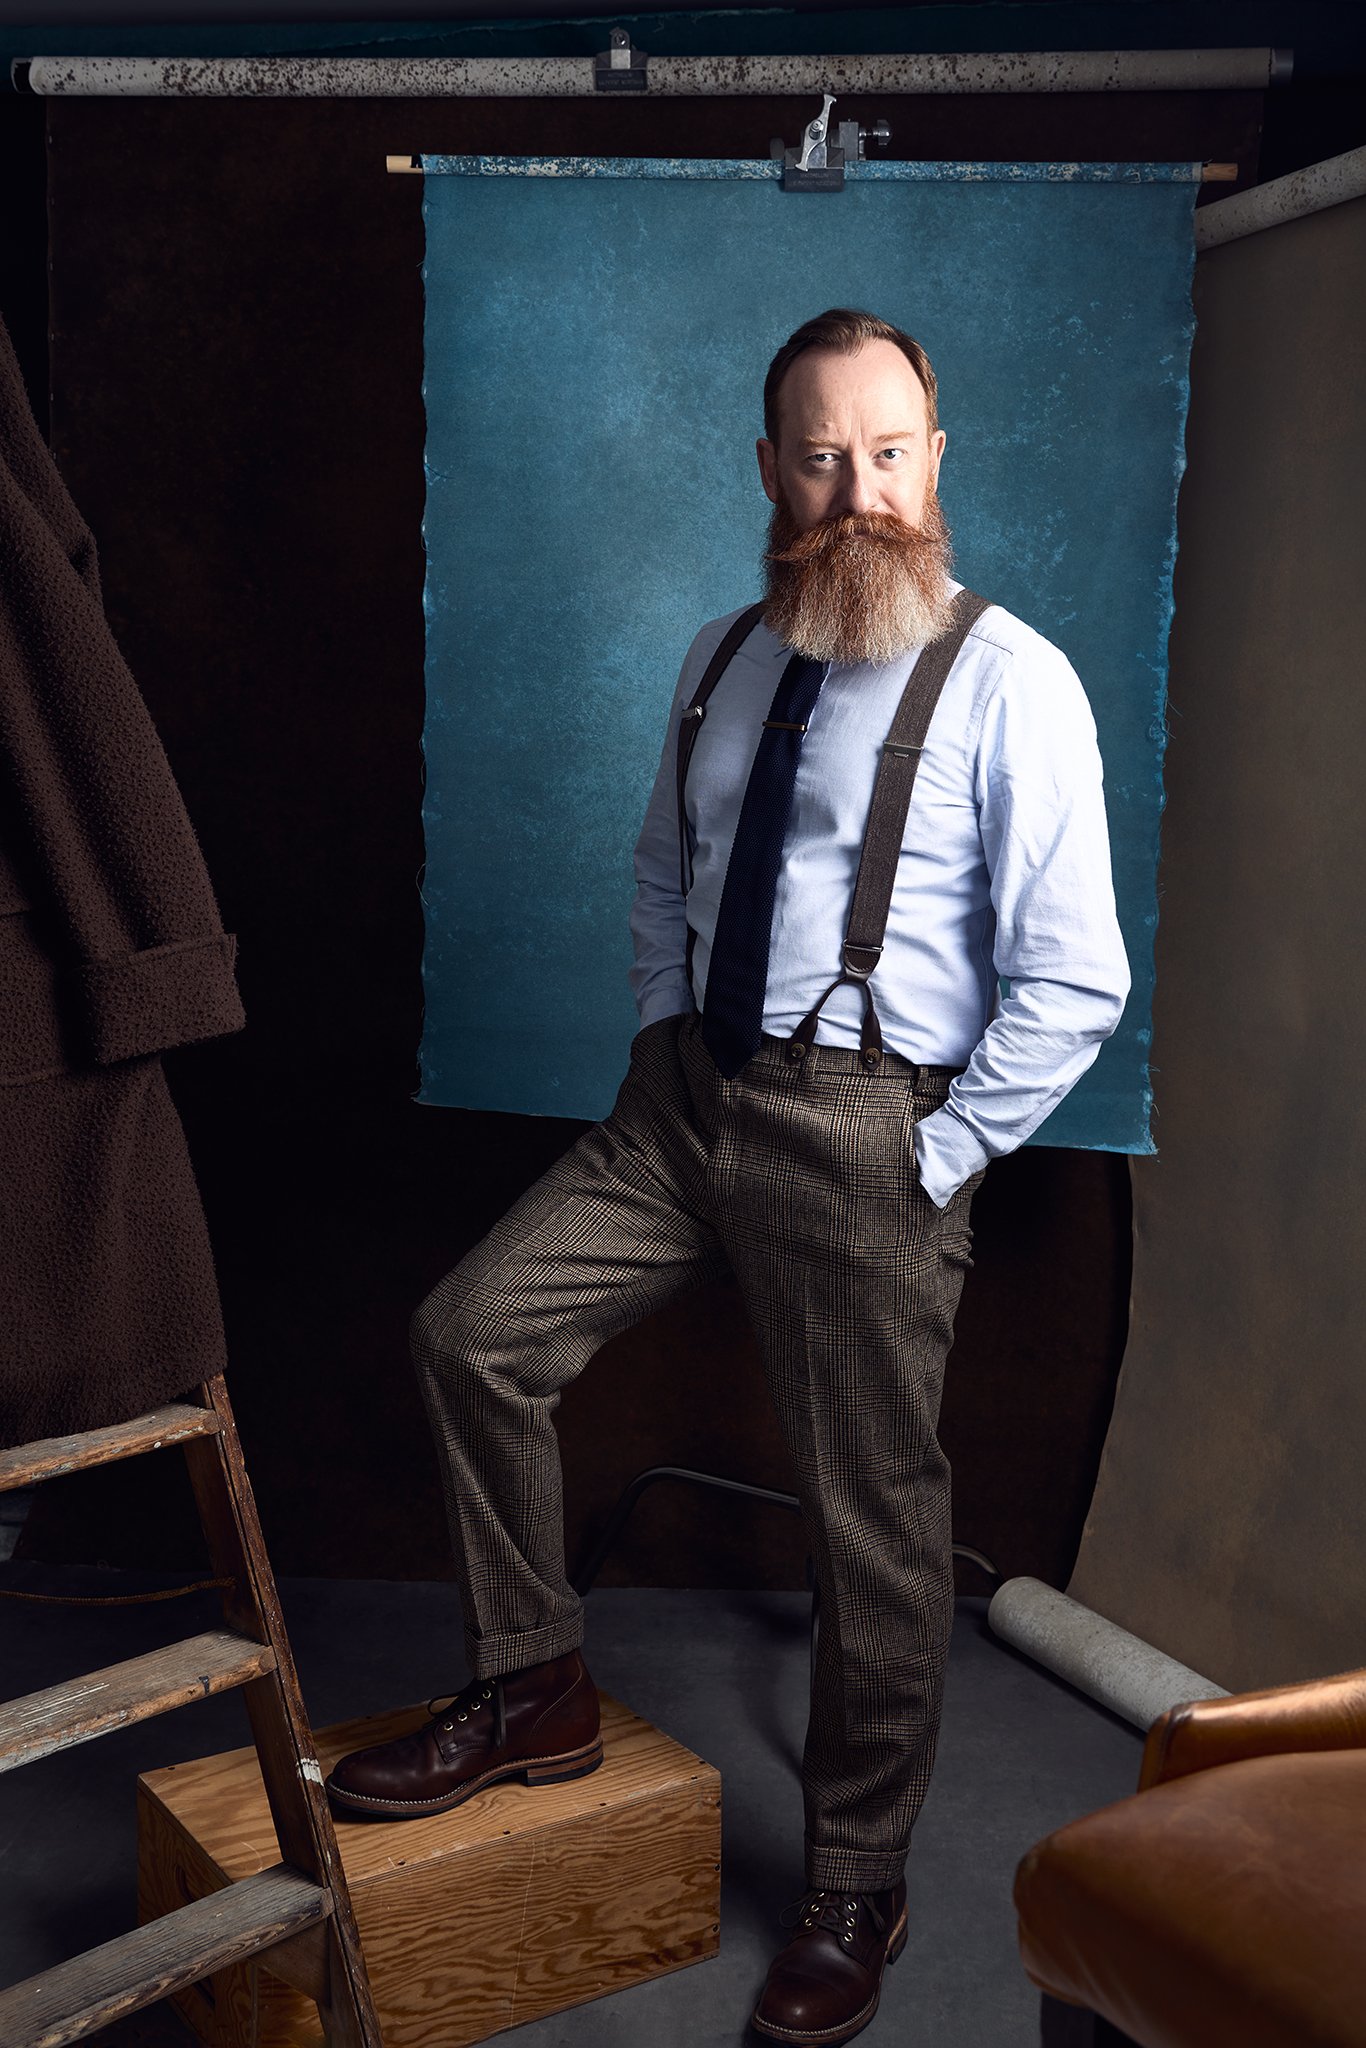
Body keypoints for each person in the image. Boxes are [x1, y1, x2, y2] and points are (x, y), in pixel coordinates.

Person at [326, 307, 1131, 2046]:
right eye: (824, 456)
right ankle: (528, 1678)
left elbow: (1076, 976)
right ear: (769, 471)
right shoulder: (719, 655)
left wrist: (935, 1153)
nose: (861, 492)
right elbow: (660, 871)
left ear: (936, 461)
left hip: (865, 1136)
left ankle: (858, 1874)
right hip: (680, 1107)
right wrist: (659, 1035)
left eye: (891, 452)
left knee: (874, 1531)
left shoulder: (1012, 679)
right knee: (471, 1335)